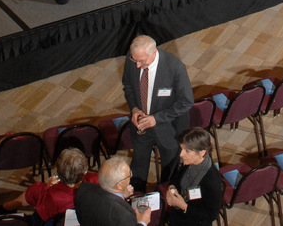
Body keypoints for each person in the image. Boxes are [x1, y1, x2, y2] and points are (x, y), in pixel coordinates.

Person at [122, 35, 194, 192]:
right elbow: (128, 86)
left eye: (142, 61)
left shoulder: (175, 68)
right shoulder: (133, 58)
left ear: (154, 52)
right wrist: (134, 108)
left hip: (168, 129)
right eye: (135, 60)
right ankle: (136, 197)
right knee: (138, 167)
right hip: (141, 126)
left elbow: (186, 102)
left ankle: (164, 199)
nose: (137, 65)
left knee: (169, 173)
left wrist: (156, 119)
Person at [0, 147, 97, 224]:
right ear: (85, 171)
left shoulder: (53, 196)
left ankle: (4, 209)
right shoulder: (96, 182)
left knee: (35, 189)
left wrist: (48, 187)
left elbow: (43, 215)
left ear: (59, 173)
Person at [161, 128, 222, 226]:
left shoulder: (212, 180)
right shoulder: (190, 162)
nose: (181, 154)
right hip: (178, 217)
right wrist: (171, 187)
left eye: (187, 151)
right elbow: (177, 178)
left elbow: (211, 215)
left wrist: (184, 206)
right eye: (182, 149)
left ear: (202, 152)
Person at [75, 157, 153, 226]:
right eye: (129, 174)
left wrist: (121, 196)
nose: (131, 175)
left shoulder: (83, 188)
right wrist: (142, 222)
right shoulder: (125, 217)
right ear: (119, 185)